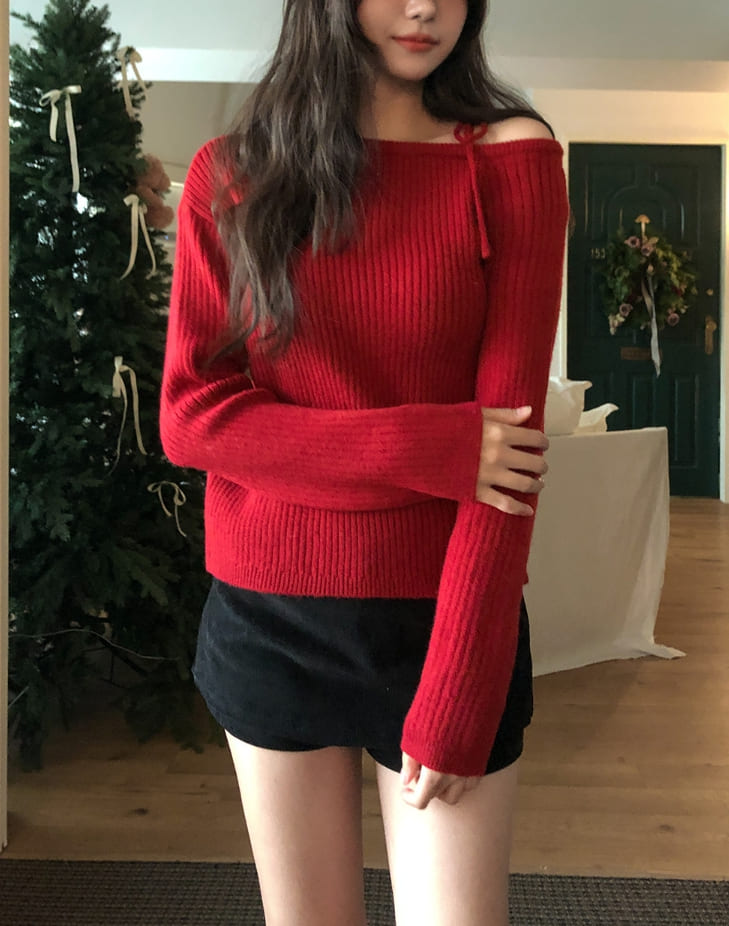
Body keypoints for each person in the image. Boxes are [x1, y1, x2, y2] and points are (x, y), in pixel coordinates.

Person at [160, 1, 568, 923]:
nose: (424, 7)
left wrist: (462, 681)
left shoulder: (510, 157)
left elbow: (513, 454)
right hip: (267, 616)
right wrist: (434, 446)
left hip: (442, 619)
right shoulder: (232, 172)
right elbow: (192, 420)